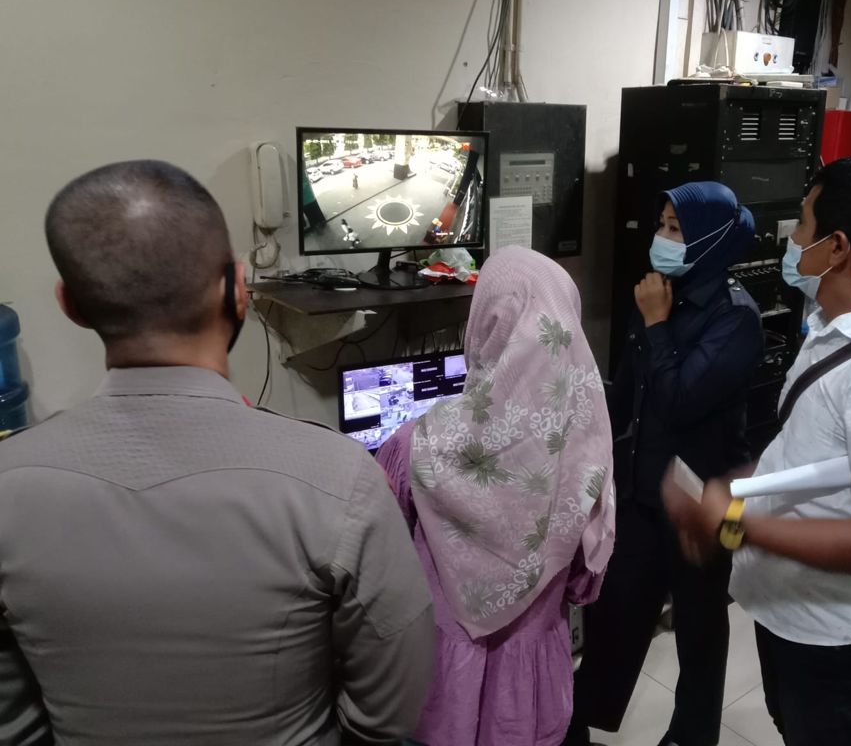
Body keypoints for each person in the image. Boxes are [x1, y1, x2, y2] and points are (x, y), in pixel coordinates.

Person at [0, 160, 434, 745]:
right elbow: (390, 712)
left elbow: (14, 722)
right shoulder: (339, 478)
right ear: (235, 287)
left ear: (70, 304)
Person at [662, 156, 851, 746]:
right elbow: (810, 459)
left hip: (841, 646)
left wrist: (733, 520)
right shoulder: (833, 325)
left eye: (803, 225)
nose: (793, 239)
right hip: (789, 617)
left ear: (837, 249)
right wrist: (738, 491)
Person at [374, 246, 616, 746]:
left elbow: (382, 555)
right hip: (530, 685)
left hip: (440, 673)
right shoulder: (589, 453)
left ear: (487, 324)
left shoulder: (413, 445)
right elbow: (582, 586)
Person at [567, 182, 763, 746]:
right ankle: (574, 723)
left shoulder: (736, 318)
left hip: (712, 502)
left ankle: (691, 734)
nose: (661, 238)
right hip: (643, 490)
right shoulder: (658, 293)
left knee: (699, 629)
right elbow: (629, 394)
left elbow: (679, 403)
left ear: (709, 239)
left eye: (675, 229)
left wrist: (656, 324)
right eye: (661, 224)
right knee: (615, 613)